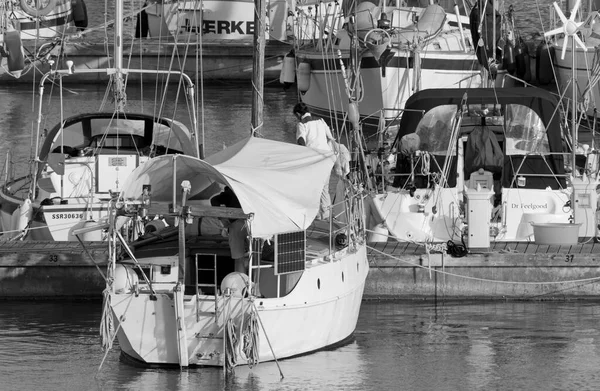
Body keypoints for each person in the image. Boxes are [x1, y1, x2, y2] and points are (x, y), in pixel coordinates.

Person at [293, 102, 335, 220]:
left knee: (313, 187)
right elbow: (330, 137)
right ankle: (326, 214)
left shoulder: (302, 124)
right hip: (327, 157)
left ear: (298, 114)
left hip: (314, 159)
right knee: (324, 187)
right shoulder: (321, 120)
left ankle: (315, 215)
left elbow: (301, 140)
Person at [211, 187, 250, 275]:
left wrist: (222, 218)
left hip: (237, 224)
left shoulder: (230, 192)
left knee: (239, 257)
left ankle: (240, 283)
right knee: (255, 256)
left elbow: (214, 200)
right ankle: (254, 282)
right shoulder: (247, 189)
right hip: (252, 224)